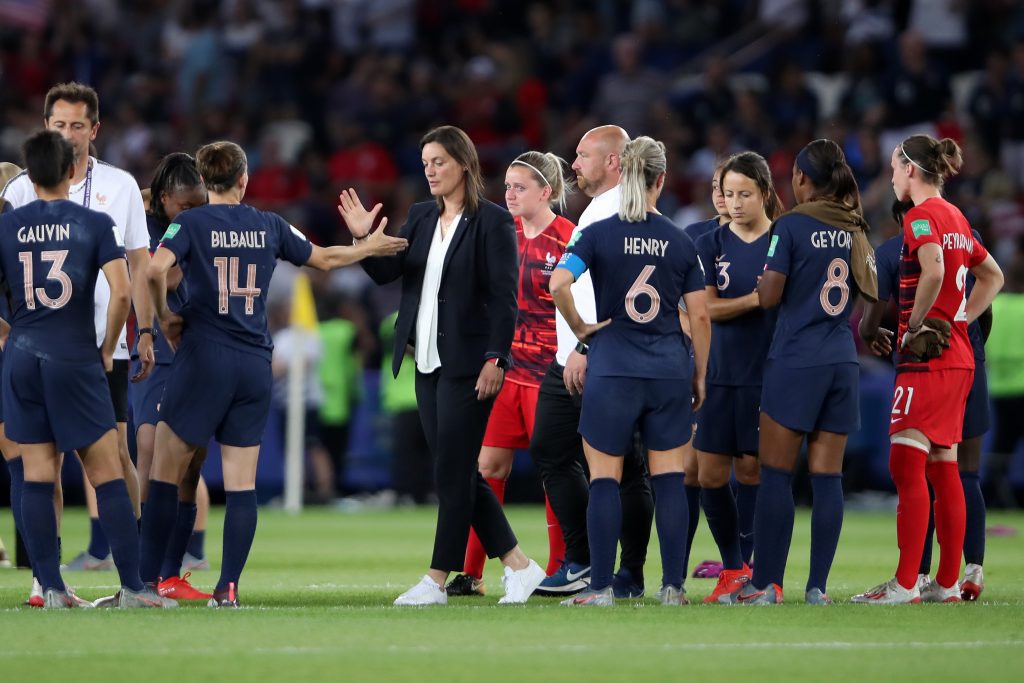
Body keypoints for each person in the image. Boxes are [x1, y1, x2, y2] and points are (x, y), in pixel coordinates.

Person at [138, 140, 407, 607]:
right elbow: (323, 259)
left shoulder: (189, 222)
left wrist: (164, 317)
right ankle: (228, 588)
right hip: (254, 363)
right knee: (243, 482)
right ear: (244, 179)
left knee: (166, 471)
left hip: (203, 356)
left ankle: (144, 583)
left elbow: (153, 271)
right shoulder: (269, 225)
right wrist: (367, 247)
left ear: (204, 182)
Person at [338, 125, 547, 606]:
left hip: (471, 364)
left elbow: (503, 299)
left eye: (439, 161)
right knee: (456, 471)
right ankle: (519, 564)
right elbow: (389, 272)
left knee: (452, 473)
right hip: (426, 363)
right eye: (425, 161)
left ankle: (435, 580)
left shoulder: (492, 221)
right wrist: (365, 238)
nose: (429, 170)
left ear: (464, 164)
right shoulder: (419, 217)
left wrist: (498, 357)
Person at [0, 130, 168, 608]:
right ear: (72, 171)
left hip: (23, 356)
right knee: (107, 470)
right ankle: (134, 588)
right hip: (75, 354)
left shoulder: (6, 227)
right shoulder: (94, 223)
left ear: (29, 176)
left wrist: (9, 333)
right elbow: (120, 291)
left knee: (35, 473)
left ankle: (51, 588)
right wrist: (109, 345)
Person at [553, 136, 711, 607]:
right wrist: (699, 375)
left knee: (604, 477)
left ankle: (600, 588)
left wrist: (582, 328)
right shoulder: (682, 241)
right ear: (661, 179)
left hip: (613, 369)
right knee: (668, 480)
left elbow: (559, 282)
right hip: (667, 370)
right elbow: (700, 316)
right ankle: (673, 588)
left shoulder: (598, 233)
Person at [852, 135, 1004, 604]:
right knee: (945, 469)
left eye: (894, 170)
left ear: (911, 170)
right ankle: (946, 583)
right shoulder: (959, 217)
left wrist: (917, 324)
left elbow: (934, 270)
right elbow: (992, 276)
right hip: (959, 360)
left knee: (905, 464)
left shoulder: (921, 218)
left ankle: (903, 584)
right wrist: (958, 318)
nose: (892, 178)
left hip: (927, 363)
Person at [735, 138, 879, 605]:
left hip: (797, 359)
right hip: (842, 360)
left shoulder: (791, 225)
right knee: (827, 477)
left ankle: (767, 585)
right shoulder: (855, 226)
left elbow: (771, 295)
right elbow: (873, 303)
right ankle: (817, 587)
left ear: (800, 178)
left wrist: (761, 283)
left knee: (775, 475)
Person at [528, 125, 656, 599]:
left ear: (614, 163)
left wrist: (584, 348)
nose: (574, 164)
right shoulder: (602, 209)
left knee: (613, 463)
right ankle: (603, 565)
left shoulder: (618, 211)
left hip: (594, 358)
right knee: (564, 453)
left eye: (583, 156)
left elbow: (616, 289)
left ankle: (602, 564)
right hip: (577, 357)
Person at [445, 150, 575, 596]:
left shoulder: (570, 240)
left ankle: (562, 569)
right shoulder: (502, 234)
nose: (510, 194)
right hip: (503, 370)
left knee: (553, 472)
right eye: (507, 186)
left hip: (550, 375)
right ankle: (471, 573)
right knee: (487, 467)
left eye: (520, 187)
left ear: (548, 192)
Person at [693, 152, 782, 603]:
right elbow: (704, 307)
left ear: (764, 192)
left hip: (763, 372)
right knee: (709, 475)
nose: (735, 202)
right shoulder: (712, 241)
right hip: (719, 371)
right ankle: (731, 566)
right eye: (729, 194)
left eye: (744, 193)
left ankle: (753, 567)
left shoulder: (782, 241)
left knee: (752, 472)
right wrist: (752, 300)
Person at [131, 153, 213, 602]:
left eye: (199, 206)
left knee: (190, 465)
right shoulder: (144, 229)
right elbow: (159, 275)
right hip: (156, 350)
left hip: (196, 350)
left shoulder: (193, 224)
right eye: (185, 208)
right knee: (149, 449)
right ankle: (142, 574)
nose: (194, 215)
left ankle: (170, 572)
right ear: (164, 200)